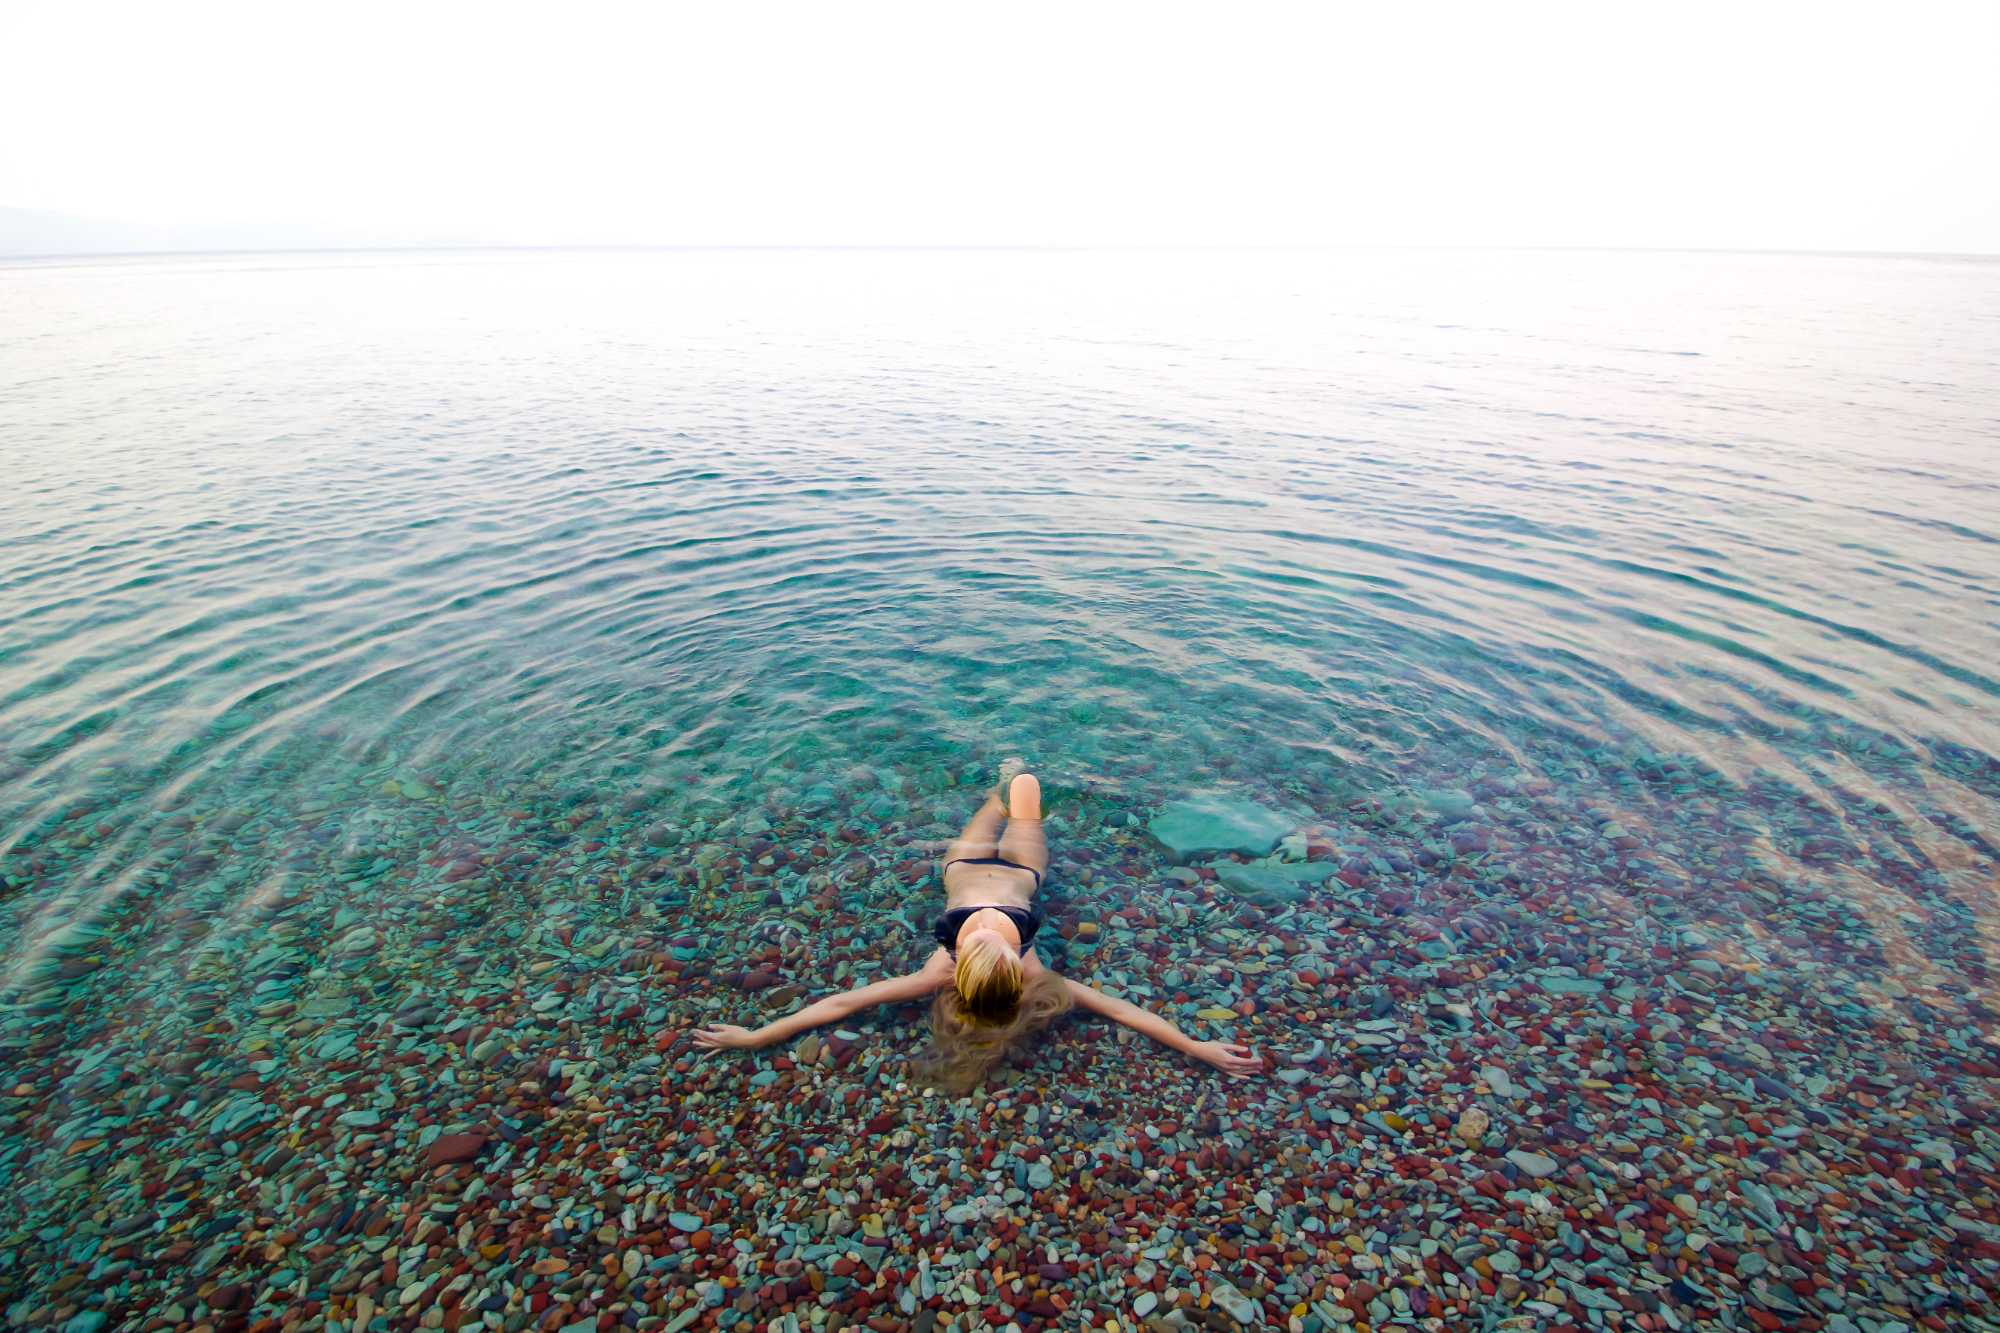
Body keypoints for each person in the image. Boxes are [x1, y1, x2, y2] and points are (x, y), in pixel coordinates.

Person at [690, 766, 1262, 1092]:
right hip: (1023, 866)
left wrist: (757, 1035)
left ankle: (1001, 779)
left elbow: (840, 1004)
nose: (988, 933)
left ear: (961, 973)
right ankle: (1009, 778)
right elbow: (1118, 1009)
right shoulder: (1031, 970)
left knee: (1004, 791)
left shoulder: (940, 969)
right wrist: (1195, 1045)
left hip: (962, 865)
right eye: (994, 948)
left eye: (982, 947)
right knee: (1025, 792)